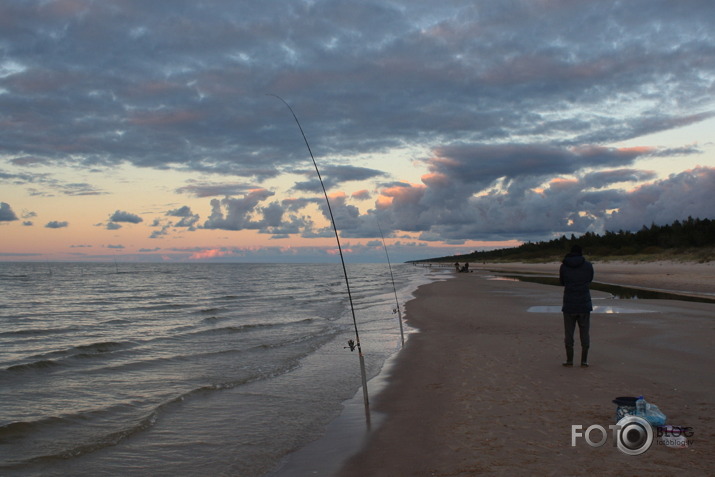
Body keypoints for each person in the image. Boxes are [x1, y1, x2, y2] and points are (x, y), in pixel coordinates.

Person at [559, 245, 594, 367]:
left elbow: (562, 282)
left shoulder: (564, 266)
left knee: (569, 333)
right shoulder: (588, 265)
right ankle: (584, 361)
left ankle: (570, 360)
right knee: (584, 333)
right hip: (584, 303)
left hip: (569, 304)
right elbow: (590, 280)